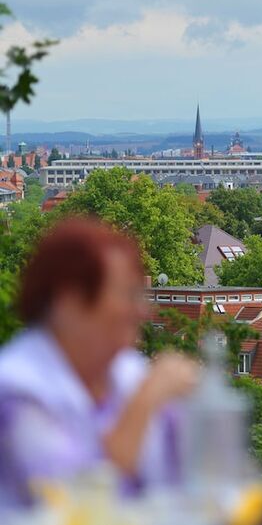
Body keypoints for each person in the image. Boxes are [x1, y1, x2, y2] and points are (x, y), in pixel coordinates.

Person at [0, 217, 198, 508]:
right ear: (70, 303)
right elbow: (73, 506)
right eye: (128, 295)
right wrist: (146, 402)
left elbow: (194, 483)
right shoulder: (16, 391)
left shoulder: (128, 372)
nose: (142, 311)